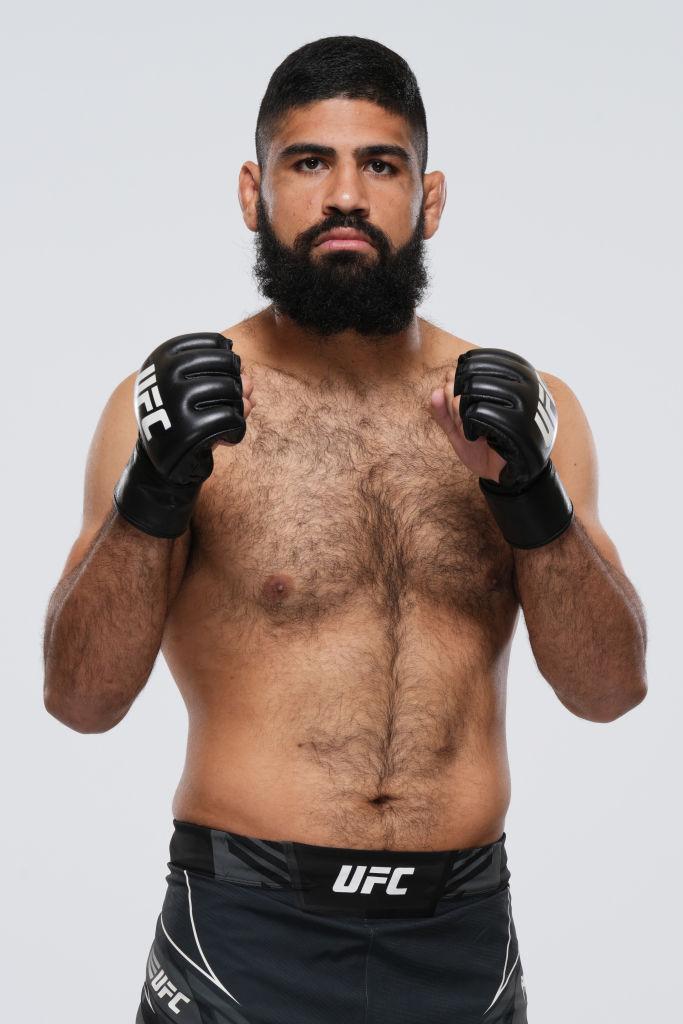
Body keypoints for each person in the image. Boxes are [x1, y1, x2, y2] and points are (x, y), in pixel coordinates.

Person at [43, 35, 648, 1024]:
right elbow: (79, 697)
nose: (344, 196)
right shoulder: (170, 405)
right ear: (253, 191)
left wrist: (529, 498)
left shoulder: (527, 410)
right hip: (239, 939)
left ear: (429, 198)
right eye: (307, 162)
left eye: (380, 163)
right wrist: (151, 490)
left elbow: (607, 689)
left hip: (459, 939)